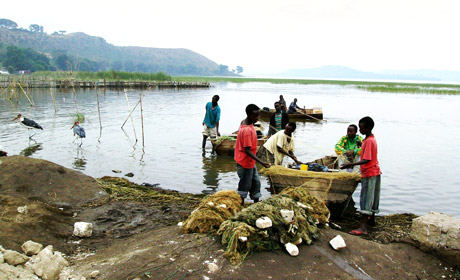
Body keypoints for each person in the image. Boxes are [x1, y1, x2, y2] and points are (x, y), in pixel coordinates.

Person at [340, 116, 381, 236]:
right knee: (373, 197)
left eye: (361, 128)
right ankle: (371, 220)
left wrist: (350, 164)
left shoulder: (368, 141)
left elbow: (366, 159)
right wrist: (361, 145)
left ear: (368, 128)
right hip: (376, 171)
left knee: (366, 198)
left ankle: (363, 227)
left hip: (369, 172)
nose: (360, 130)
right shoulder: (370, 139)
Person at [235, 104, 271, 204]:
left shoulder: (245, 122)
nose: (258, 118)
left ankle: (256, 202)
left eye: (258, 115)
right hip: (245, 162)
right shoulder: (246, 130)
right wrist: (262, 162)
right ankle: (240, 203)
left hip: (250, 162)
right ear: (249, 115)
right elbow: (247, 150)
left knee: (256, 182)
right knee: (245, 185)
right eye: (256, 116)